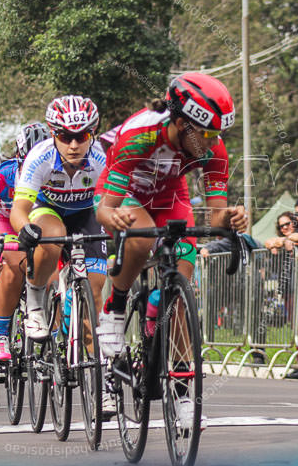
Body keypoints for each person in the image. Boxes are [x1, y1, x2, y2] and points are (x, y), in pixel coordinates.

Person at [95, 72, 247, 429]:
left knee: (179, 291)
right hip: (126, 195)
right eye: (207, 134)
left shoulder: (213, 148)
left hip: (170, 197)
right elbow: (105, 209)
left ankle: (182, 393)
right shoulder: (139, 134)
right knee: (142, 234)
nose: (213, 143)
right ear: (181, 123)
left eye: (218, 135)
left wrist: (234, 218)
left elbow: (215, 215)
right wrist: (112, 219)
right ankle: (116, 306)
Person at [13, 96, 108, 342]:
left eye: (82, 136)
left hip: (85, 213)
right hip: (48, 209)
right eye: (65, 137)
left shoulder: (102, 159)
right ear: (53, 134)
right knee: (51, 235)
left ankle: (78, 348)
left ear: (93, 134)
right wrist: (26, 229)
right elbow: (19, 209)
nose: (74, 145)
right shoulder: (40, 157)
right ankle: (34, 302)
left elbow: (114, 201)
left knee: (95, 290)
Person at [0, 122, 50, 362]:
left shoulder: (53, 172)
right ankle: (0, 335)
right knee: (17, 263)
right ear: (19, 158)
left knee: (50, 270)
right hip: (5, 221)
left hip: (37, 219)